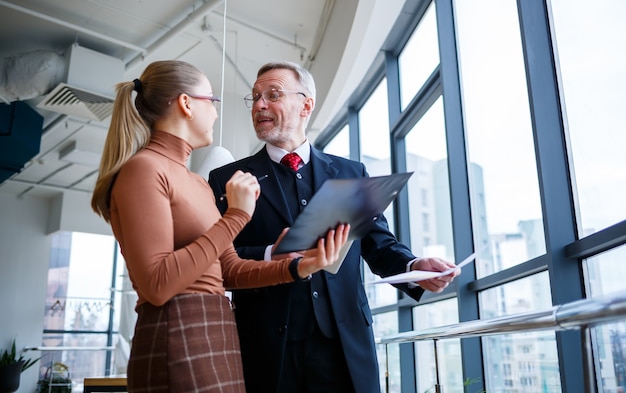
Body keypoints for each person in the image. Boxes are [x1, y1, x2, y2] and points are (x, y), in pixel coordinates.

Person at [90, 60, 350, 393]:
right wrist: (237, 217)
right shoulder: (144, 170)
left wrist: (299, 267)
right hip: (176, 333)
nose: (215, 113)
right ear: (186, 104)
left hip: (218, 330)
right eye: (211, 102)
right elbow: (156, 284)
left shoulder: (197, 184)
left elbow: (228, 270)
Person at [207, 60, 461, 393]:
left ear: (306, 105)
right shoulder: (228, 179)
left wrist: (415, 267)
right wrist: (272, 253)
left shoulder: (350, 172)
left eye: (272, 95)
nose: (259, 105)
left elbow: (378, 245)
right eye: (254, 97)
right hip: (266, 346)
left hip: (344, 346)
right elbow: (220, 258)